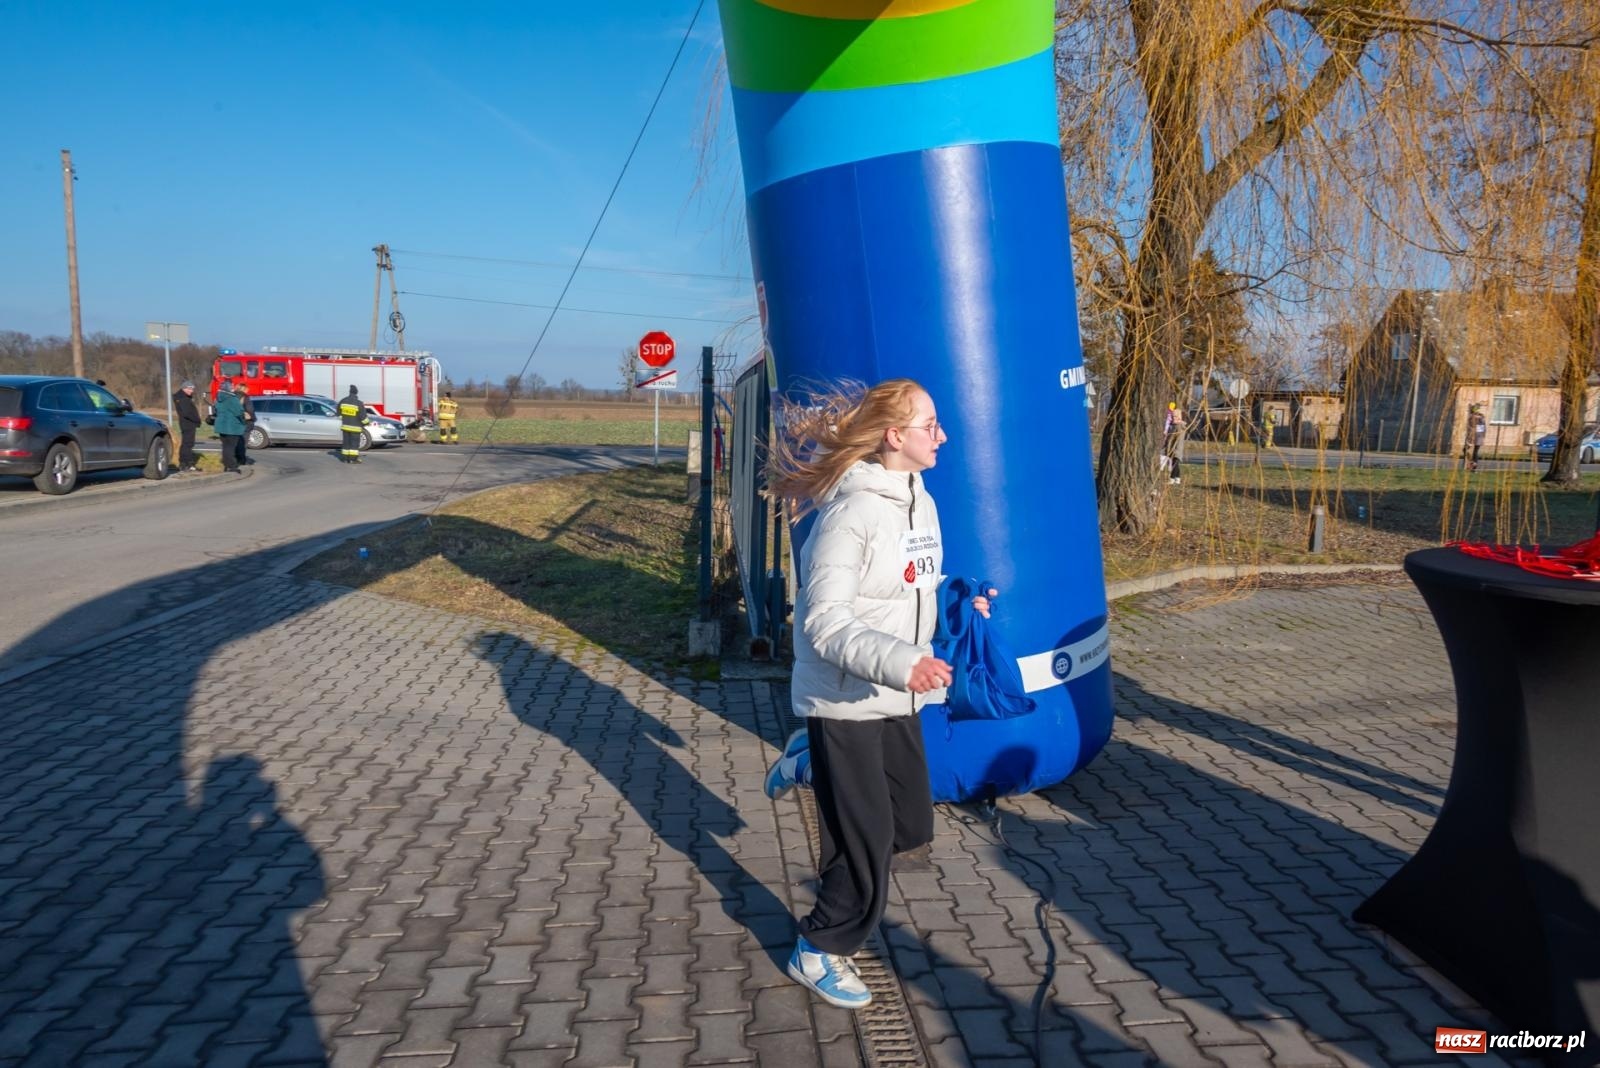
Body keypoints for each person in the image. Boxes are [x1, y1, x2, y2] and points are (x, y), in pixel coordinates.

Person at [762, 378, 991, 1010]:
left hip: (894, 690)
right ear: (895, 437)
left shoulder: (919, 497)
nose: (941, 435)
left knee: (911, 825)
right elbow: (825, 622)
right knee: (864, 845)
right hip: (844, 698)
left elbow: (910, 586)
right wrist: (904, 663)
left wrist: (956, 608)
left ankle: (809, 763)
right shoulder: (851, 513)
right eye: (930, 425)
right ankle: (820, 949)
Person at [212, 382, 247, 473]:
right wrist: (244, 421)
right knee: (230, 447)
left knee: (225, 446)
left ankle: (226, 464)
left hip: (221, 425)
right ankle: (231, 466)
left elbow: (215, 410)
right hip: (232, 426)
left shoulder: (218, 398)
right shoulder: (232, 399)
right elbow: (239, 412)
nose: (233, 388)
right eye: (231, 387)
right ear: (227, 389)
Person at [173, 380, 202, 472]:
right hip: (188, 423)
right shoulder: (183, 398)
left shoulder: (182, 397)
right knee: (188, 444)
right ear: (184, 388)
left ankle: (185, 463)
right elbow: (187, 413)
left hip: (186, 423)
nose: (191, 391)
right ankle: (186, 464)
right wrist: (197, 420)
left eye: (192, 389)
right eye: (189, 389)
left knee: (187, 443)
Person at [338, 385, 368, 463]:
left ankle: (344, 458)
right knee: (354, 445)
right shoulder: (359, 403)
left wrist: (344, 418)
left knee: (346, 443)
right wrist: (367, 423)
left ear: (349, 392)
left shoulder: (343, 401)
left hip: (345, 427)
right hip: (355, 428)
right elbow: (363, 417)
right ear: (356, 393)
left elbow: (338, 413)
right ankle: (352, 459)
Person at [234, 382, 256, 468]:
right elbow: (250, 409)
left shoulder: (232, 396)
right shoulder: (245, 397)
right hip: (245, 422)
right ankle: (241, 460)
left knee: (235, 441)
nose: (248, 390)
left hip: (235, 422)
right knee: (243, 442)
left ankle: (235, 458)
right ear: (243, 389)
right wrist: (253, 418)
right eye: (247, 389)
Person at [1163, 402, 1185, 485]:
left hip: (1176, 448)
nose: (1173, 418)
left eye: (1175, 417)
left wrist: (1172, 447)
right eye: (1172, 417)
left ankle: (1172, 478)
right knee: (1175, 463)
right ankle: (1177, 478)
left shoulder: (1179, 426)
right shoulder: (1174, 426)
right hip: (1174, 447)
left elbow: (1175, 438)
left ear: (1179, 417)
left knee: (1174, 464)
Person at [1466, 403, 1487, 471]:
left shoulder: (1473, 417)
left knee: (1466, 449)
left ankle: (1473, 464)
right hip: (1479, 436)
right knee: (1475, 451)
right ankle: (1473, 466)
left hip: (1474, 435)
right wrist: (1483, 435)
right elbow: (1483, 428)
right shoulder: (1481, 417)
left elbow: (1472, 427)